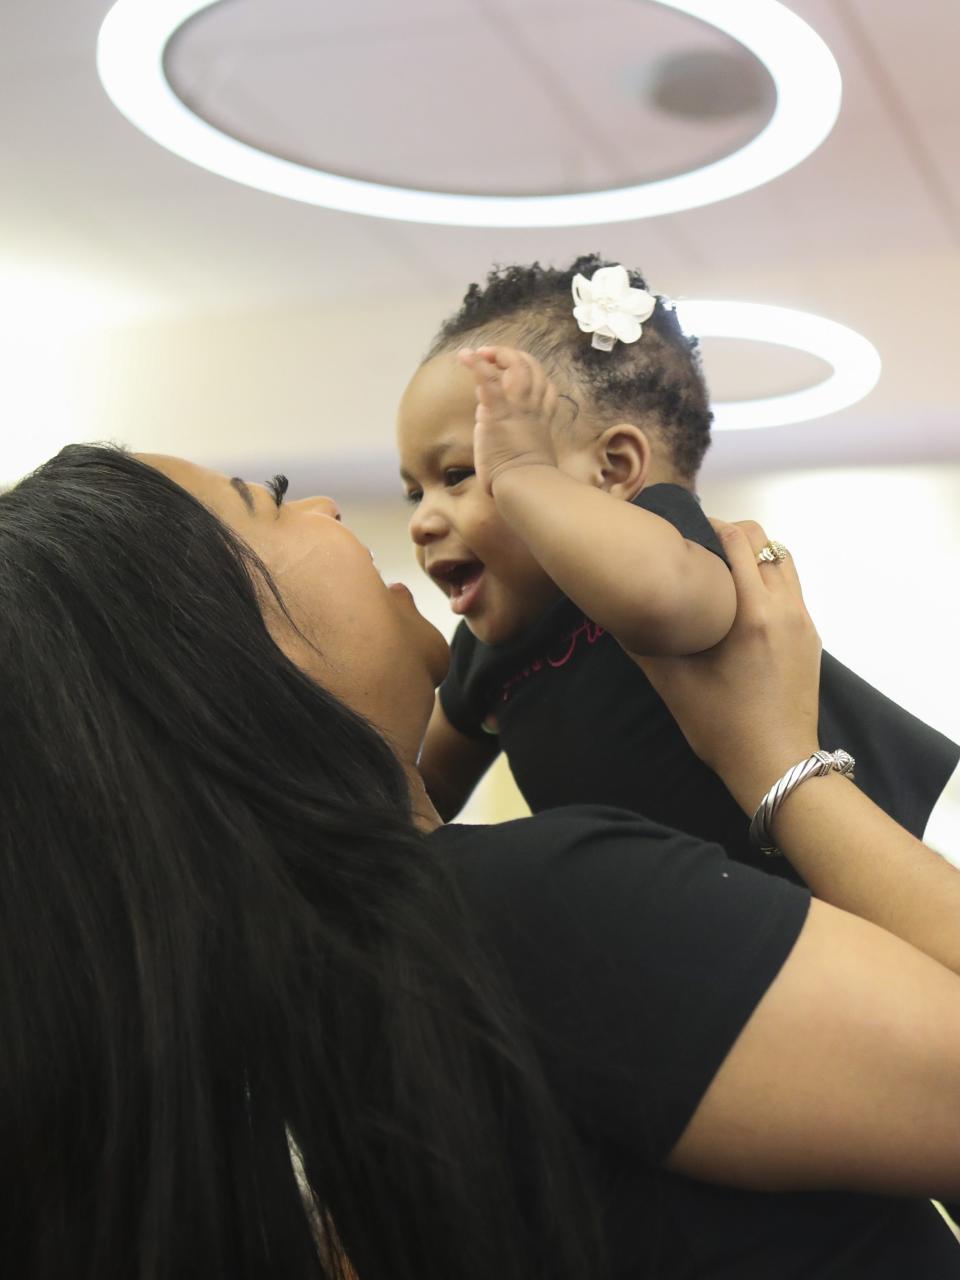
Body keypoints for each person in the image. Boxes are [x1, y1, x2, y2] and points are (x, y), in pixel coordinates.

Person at [2, 444, 960, 1280]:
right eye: (272, 500)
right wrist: (778, 760)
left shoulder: (296, 1006)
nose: (329, 507)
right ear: (207, 656)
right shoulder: (526, 917)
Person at [397, 256, 959, 876]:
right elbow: (421, 793)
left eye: (459, 474)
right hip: (675, 928)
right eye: (415, 492)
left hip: (848, 895)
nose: (423, 520)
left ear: (612, 471)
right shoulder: (487, 651)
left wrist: (519, 477)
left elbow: (667, 604)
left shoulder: (667, 537)